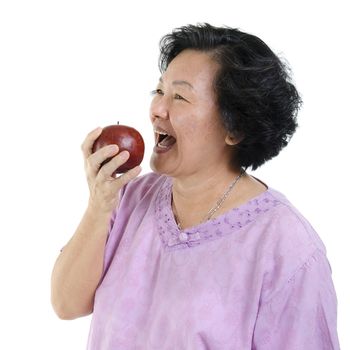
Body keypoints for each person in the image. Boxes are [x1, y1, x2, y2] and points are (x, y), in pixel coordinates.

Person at [51, 23, 340, 349]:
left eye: (180, 97)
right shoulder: (132, 197)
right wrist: (99, 204)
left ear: (235, 128)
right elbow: (66, 304)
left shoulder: (288, 248)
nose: (158, 109)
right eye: (159, 91)